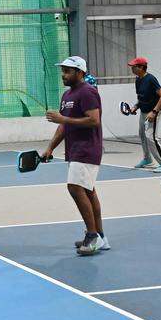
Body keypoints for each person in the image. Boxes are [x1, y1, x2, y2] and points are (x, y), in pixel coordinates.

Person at [42, 56, 108, 257]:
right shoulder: (67, 95)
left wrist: (63, 118)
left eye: (68, 71)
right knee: (88, 191)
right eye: (62, 70)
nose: (63, 74)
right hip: (74, 149)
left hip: (87, 149)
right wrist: (50, 148)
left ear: (80, 72)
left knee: (75, 188)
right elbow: (64, 126)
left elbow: (93, 120)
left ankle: (92, 236)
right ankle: (100, 237)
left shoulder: (88, 92)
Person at [129, 57, 161, 170]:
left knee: (151, 137)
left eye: (134, 66)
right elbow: (141, 97)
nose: (132, 68)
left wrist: (154, 112)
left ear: (141, 67)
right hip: (143, 111)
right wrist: (135, 107)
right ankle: (147, 159)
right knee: (142, 134)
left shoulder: (151, 79)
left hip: (153, 112)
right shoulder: (138, 79)